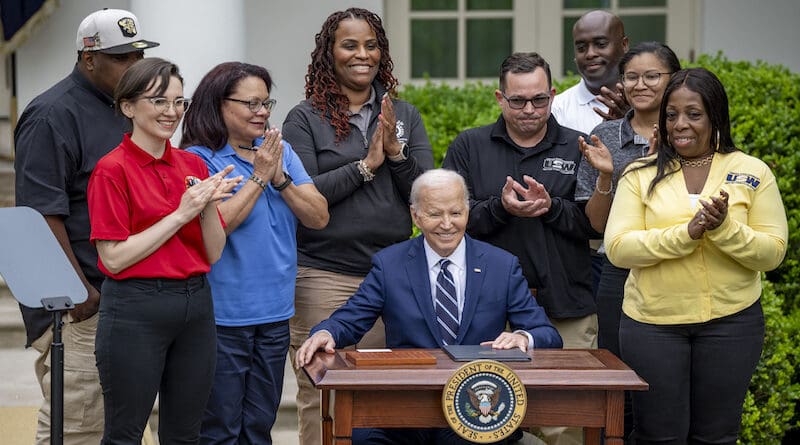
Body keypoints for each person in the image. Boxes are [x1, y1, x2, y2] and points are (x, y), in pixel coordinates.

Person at [295, 168, 562, 445]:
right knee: (359, 438)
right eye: (435, 214)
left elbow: (547, 334)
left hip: (475, 406)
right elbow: (351, 319)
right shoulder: (389, 264)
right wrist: (326, 333)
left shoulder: (502, 265)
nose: (447, 224)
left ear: (467, 212)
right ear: (416, 216)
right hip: (403, 406)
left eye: (456, 213)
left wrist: (522, 337)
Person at [604, 67, 788, 445]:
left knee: (716, 436)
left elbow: (772, 252)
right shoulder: (638, 174)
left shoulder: (752, 172)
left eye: (694, 114)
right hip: (652, 325)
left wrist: (724, 229)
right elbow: (619, 248)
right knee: (658, 436)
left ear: (716, 116)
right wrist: (685, 234)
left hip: (730, 323)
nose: (680, 124)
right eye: (671, 115)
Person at [282, 7, 434, 445]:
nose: (361, 54)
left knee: (382, 392)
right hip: (324, 274)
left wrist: (397, 153)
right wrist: (367, 165)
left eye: (371, 45)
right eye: (349, 45)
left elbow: (421, 193)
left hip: (391, 276)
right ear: (329, 53)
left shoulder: (403, 113)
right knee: (320, 392)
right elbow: (306, 193)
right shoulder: (304, 118)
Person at [13, 9, 158, 444]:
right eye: (120, 58)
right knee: (80, 429)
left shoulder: (126, 110)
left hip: (129, 300)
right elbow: (39, 217)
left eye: (136, 56)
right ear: (88, 57)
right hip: (81, 308)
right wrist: (80, 297)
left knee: (123, 432)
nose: (132, 67)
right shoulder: (51, 115)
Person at [442, 52, 596, 445]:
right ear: (499, 97)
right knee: (487, 422)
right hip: (486, 312)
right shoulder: (469, 146)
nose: (529, 109)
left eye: (539, 100)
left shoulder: (577, 149)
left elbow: (594, 225)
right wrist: (500, 207)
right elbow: (449, 222)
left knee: (565, 424)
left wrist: (550, 207)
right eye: (518, 100)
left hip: (566, 306)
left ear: (553, 95)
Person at [88, 58, 240, 444]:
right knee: (125, 433)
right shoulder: (112, 169)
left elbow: (213, 253)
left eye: (178, 102)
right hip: (135, 309)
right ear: (128, 107)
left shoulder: (191, 164)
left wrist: (206, 207)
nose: (171, 112)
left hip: (195, 304)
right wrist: (181, 213)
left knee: (186, 434)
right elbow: (114, 258)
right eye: (158, 101)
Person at [181, 62, 329, 445]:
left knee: (259, 426)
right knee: (221, 429)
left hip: (276, 312)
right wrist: (260, 176)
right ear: (218, 104)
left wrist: (278, 175)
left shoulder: (280, 152)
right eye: (250, 103)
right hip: (223, 316)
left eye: (266, 103)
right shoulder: (198, 159)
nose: (262, 112)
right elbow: (219, 224)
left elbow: (318, 216)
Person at [576, 41, 681, 443]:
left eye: (652, 76)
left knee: (664, 382)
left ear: (674, 79)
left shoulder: (688, 133)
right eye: (632, 77)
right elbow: (597, 225)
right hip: (615, 270)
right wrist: (607, 177)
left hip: (674, 267)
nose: (640, 84)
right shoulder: (604, 135)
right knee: (619, 381)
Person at [551, 9, 630, 134]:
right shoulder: (556, 110)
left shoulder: (646, 101)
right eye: (581, 48)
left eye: (601, 44)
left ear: (624, 45)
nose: (590, 54)